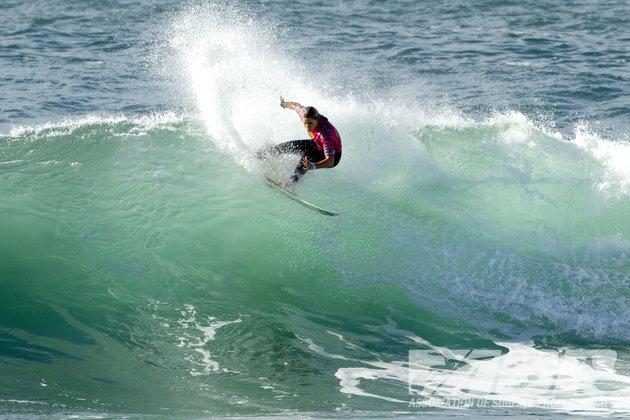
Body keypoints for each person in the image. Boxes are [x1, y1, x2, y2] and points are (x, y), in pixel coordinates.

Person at [257, 97, 342, 191]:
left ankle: (289, 185)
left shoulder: (325, 134)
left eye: (310, 123)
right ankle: (261, 155)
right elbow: (295, 106)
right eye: (305, 123)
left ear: (317, 119)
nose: (307, 127)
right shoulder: (304, 114)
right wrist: (284, 104)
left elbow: (330, 161)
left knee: (307, 157)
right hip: (317, 144)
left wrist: (313, 166)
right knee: (291, 145)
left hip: (334, 157)